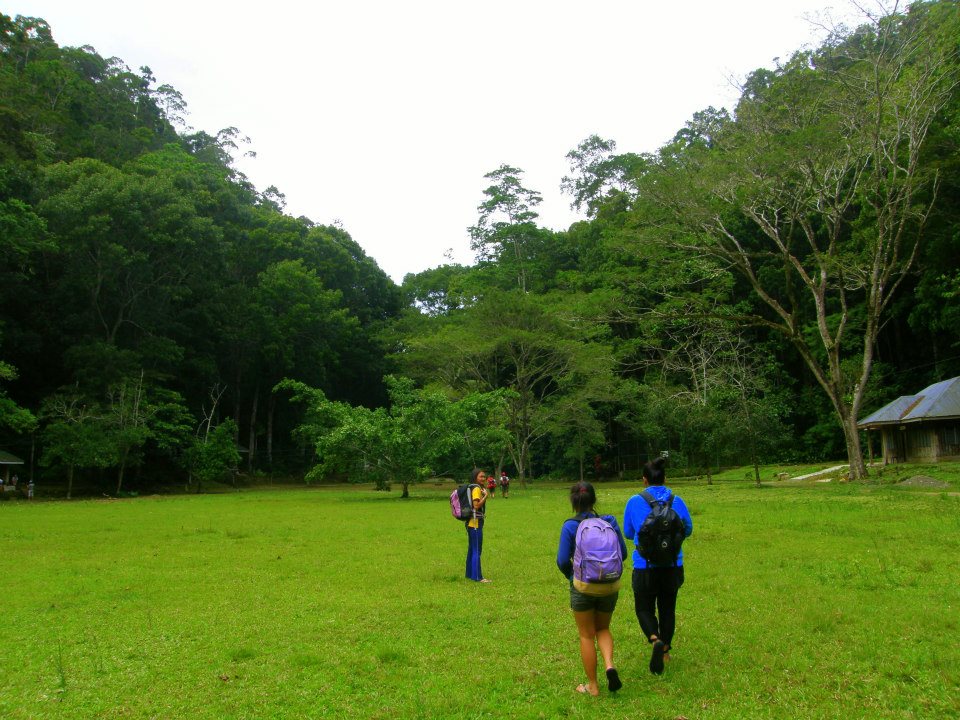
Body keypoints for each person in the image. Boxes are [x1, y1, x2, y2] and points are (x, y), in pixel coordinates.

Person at [623, 456, 693, 674]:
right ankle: (666, 652)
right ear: (665, 478)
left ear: (644, 480)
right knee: (667, 608)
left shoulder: (634, 501)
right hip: (672, 564)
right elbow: (687, 529)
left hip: (644, 566)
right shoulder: (676, 500)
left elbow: (627, 532)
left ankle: (654, 639)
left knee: (644, 607)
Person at [556, 481, 627, 696]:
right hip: (609, 585)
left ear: (573, 502)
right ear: (594, 500)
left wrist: (573, 575)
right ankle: (609, 665)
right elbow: (622, 554)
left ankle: (593, 686)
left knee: (586, 635)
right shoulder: (610, 521)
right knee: (603, 628)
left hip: (583, 587)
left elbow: (561, 561)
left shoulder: (570, 525)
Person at [465, 468, 490, 583]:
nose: (483, 479)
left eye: (484, 476)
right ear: (475, 477)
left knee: (472, 549)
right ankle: (477, 577)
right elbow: (476, 505)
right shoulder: (476, 489)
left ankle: (470, 574)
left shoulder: (472, 487)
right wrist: (485, 496)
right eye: (481, 476)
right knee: (476, 550)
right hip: (475, 523)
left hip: (471, 523)